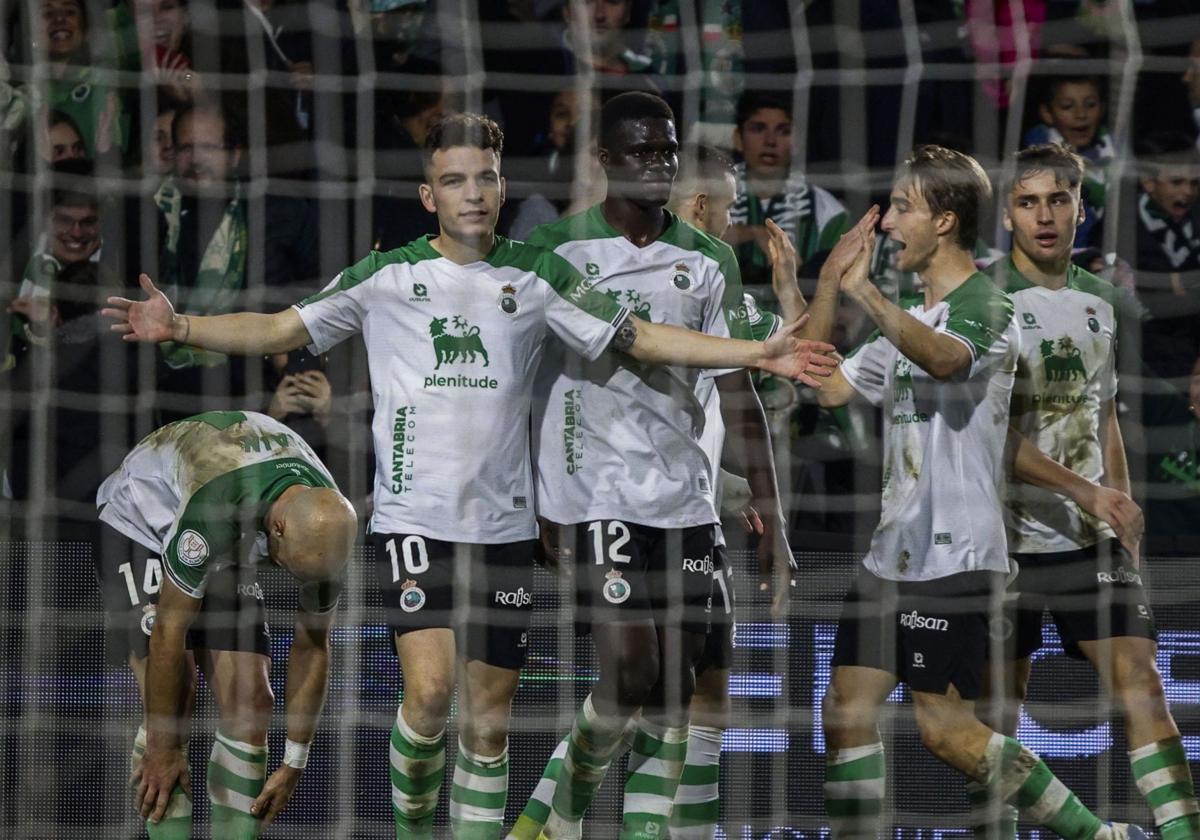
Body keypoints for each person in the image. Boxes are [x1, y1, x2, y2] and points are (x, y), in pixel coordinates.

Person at [104, 112, 836, 839]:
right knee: (427, 698)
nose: (473, 194)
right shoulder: (387, 274)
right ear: (431, 197)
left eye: (484, 177)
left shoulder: (540, 273)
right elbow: (279, 329)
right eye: (454, 181)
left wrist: (754, 353)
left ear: (501, 185)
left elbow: (639, 337)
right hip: (414, 524)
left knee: (488, 727)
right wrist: (182, 328)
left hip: (507, 529)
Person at [805, 145, 1144, 840]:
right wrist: (816, 285)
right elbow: (831, 383)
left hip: (956, 559)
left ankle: (1095, 835)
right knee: (844, 710)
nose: (890, 222)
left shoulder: (990, 305)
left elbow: (946, 361)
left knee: (945, 732)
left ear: (946, 221)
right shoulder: (910, 316)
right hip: (890, 556)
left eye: (903, 207)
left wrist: (864, 291)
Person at [525, 93, 819, 840]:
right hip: (597, 495)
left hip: (686, 503)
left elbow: (737, 388)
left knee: (678, 694)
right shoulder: (557, 252)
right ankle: (550, 820)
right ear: (604, 161)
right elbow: (530, 383)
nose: (655, 164)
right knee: (630, 672)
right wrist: (538, 499)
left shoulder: (709, 258)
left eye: (666, 151)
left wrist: (772, 518)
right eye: (640, 152)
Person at [974, 143, 1200, 840]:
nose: (1044, 216)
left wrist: (1120, 513)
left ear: (1080, 207)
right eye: (1028, 201)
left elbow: (1102, 418)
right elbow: (986, 437)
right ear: (1007, 215)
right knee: (995, 718)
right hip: (1002, 538)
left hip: (1087, 541)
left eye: (1058, 200)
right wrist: (1087, 491)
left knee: (1144, 685)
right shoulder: (982, 301)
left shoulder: (1103, 302)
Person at [96, 410, 357, 838]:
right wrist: (162, 748)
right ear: (278, 530)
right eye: (287, 566)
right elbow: (168, 631)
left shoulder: (327, 531)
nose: (288, 577)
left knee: (251, 700)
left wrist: (294, 759)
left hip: (235, 532)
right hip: (142, 519)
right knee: (174, 701)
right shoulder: (214, 508)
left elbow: (313, 644)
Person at [726, 90, 850, 287]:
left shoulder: (830, 212)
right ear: (738, 139)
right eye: (758, 129)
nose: (770, 141)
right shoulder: (709, 197)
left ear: (797, 142)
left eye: (784, 131)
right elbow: (689, 238)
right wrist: (753, 233)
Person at [1023, 74, 1114, 247]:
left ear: (1102, 108)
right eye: (1067, 106)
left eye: (1090, 105)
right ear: (1047, 113)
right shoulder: (1034, 160)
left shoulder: (1116, 149)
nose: (1081, 114)